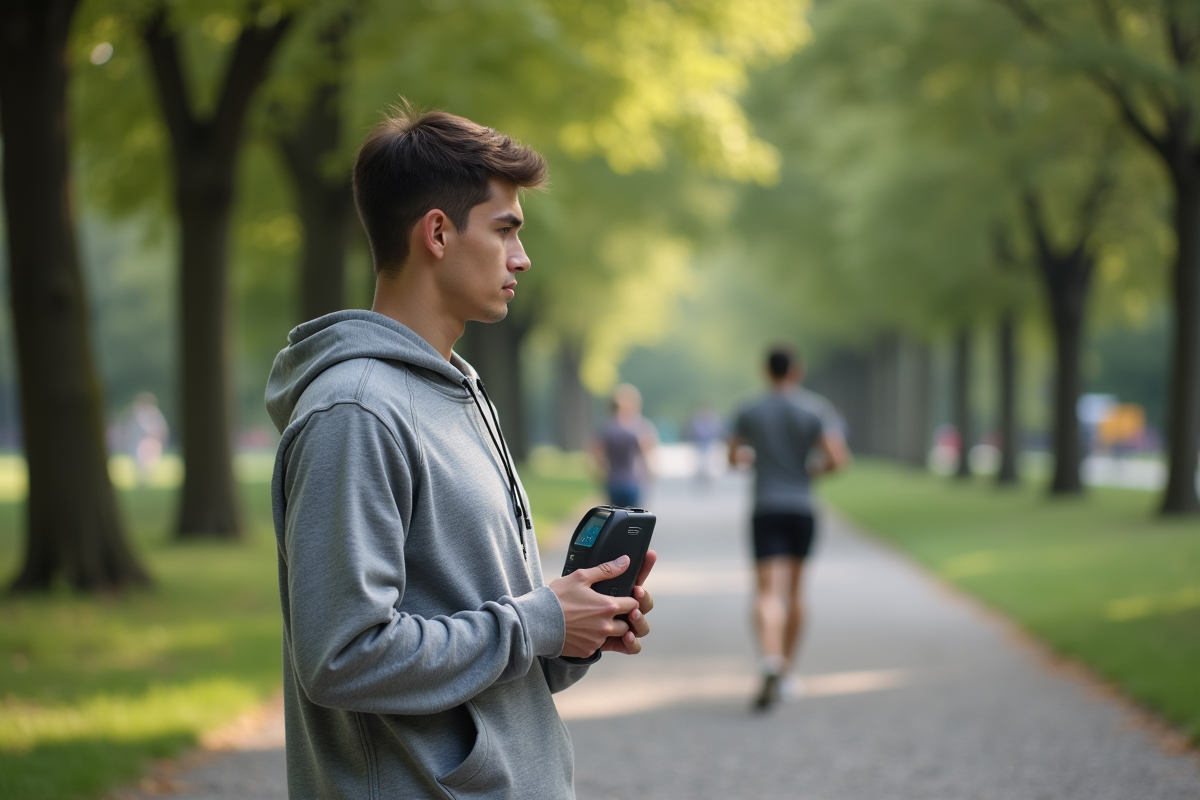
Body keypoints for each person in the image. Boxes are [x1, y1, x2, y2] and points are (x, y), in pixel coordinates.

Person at [265, 104, 656, 799]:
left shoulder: (461, 392)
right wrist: (540, 619)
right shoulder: (356, 412)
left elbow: (494, 633)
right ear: (438, 233)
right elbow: (342, 657)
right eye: (505, 230)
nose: (522, 257)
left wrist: (575, 627)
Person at [727, 344, 849, 711]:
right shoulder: (815, 408)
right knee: (795, 592)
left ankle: (769, 658)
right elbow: (837, 460)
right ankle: (788, 671)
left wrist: (758, 461)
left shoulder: (748, 410)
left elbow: (733, 458)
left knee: (766, 592)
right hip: (802, 508)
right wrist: (807, 471)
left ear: (766, 371)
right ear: (796, 371)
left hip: (766, 507)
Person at [592, 383, 658, 508]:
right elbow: (647, 453)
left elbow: (597, 455)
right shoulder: (641, 426)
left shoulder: (605, 427)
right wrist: (650, 474)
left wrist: (601, 475)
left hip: (614, 481)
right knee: (633, 520)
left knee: (616, 519)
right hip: (633, 482)